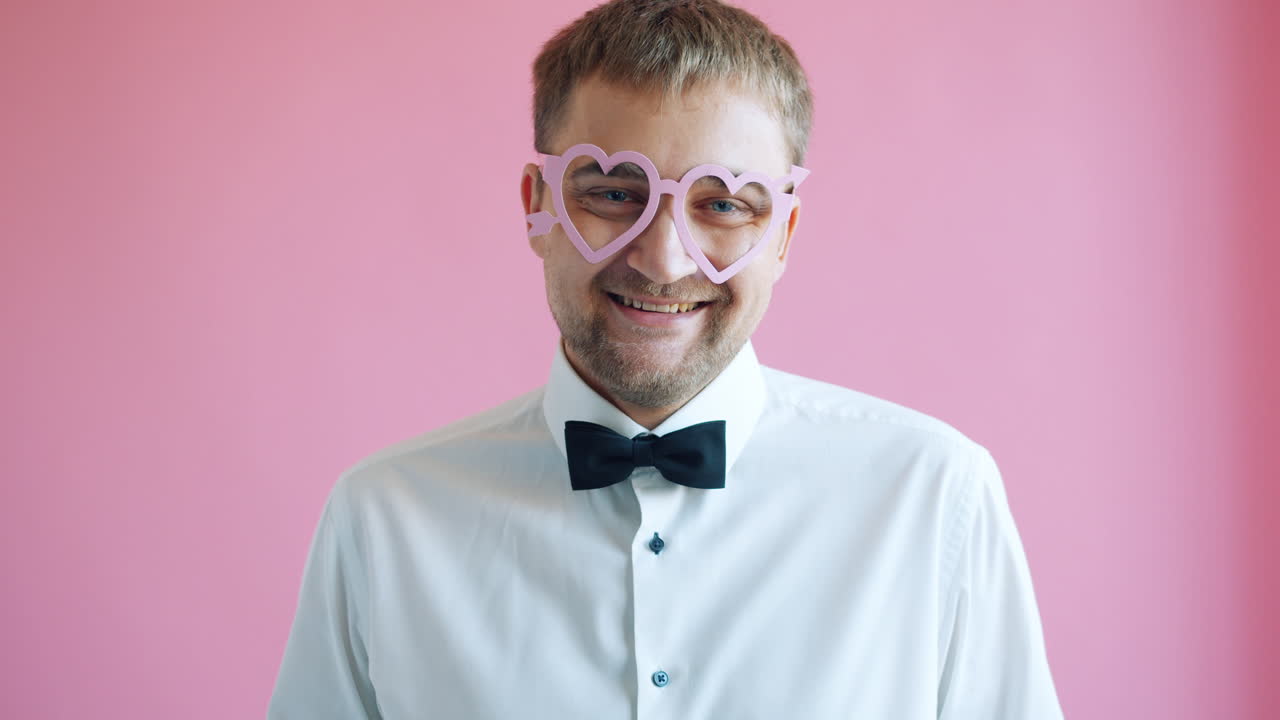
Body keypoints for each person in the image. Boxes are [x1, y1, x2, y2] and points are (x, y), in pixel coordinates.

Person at [268, 0, 1064, 717]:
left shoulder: (933, 500)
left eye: (722, 205)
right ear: (537, 206)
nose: (663, 260)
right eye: (614, 192)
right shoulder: (382, 520)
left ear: (782, 237)